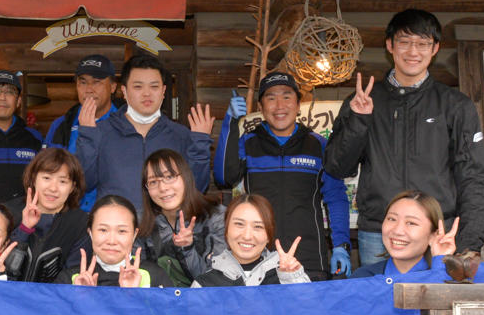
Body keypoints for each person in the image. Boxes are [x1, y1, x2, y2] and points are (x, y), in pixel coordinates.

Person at [324, 9, 484, 264]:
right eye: (404, 42)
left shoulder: (455, 105)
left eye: (423, 44)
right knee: (382, 304)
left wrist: (469, 243)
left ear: (435, 48)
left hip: (438, 235)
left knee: (438, 303)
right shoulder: (364, 101)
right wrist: (359, 120)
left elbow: (475, 178)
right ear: (390, 45)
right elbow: (337, 167)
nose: (413, 52)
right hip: (379, 233)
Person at [214, 70, 352, 280]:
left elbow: (336, 197)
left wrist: (341, 245)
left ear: (298, 105)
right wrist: (230, 123)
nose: (279, 106)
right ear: (261, 107)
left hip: (309, 257)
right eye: (271, 98)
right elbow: (224, 177)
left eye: (287, 97)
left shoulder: (318, 145)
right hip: (259, 257)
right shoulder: (249, 143)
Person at [76, 54, 212, 211]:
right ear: (124, 92)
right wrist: (87, 137)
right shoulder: (100, 132)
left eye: (154, 86)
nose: (147, 93)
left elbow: (197, 190)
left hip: (166, 231)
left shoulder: (181, 135)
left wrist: (200, 144)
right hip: (117, 230)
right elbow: (84, 183)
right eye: (138, 87)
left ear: (163, 91)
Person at [44, 54, 123, 212]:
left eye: (97, 82)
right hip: (71, 216)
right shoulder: (62, 125)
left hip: (114, 216)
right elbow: (46, 172)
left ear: (113, 87)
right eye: (83, 82)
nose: (89, 89)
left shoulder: (125, 124)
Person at [138, 149, 224, 285]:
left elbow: (215, 281)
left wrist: (188, 248)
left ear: (186, 177)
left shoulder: (216, 217)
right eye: (153, 182)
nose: (162, 188)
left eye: (169, 177)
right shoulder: (140, 222)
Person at [8, 147, 89, 283]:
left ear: (72, 187)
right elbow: (1, 267)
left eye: (62, 181)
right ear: (34, 179)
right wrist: (23, 230)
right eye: (46, 178)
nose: (53, 188)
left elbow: (74, 272)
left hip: (52, 300)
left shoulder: (80, 223)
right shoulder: (9, 212)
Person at [0, 70, 45, 204]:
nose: (2, 97)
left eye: (10, 92)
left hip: (24, 218)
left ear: (18, 101)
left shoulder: (34, 138)